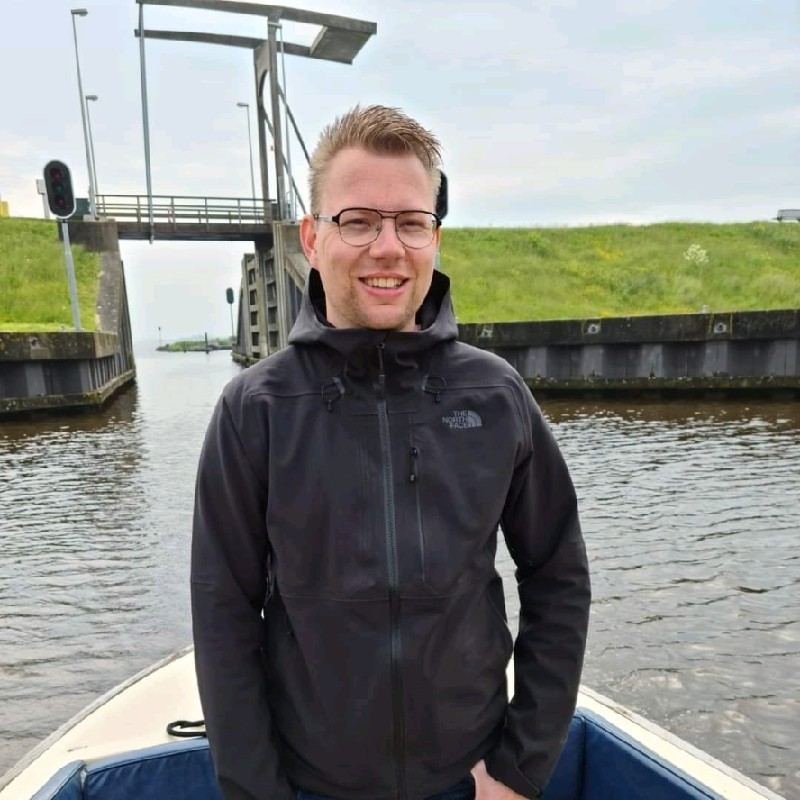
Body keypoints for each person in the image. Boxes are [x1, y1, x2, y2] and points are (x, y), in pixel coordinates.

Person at [191, 104, 590, 800]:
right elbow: (223, 616)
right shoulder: (255, 411)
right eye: (358, 221)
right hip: (313, 786)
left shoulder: (496, 396)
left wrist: (520, 768)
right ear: (313, 238)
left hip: (470, 782)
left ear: (434, 237)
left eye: (411, 222)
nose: (387, 247)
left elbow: (558, 576)